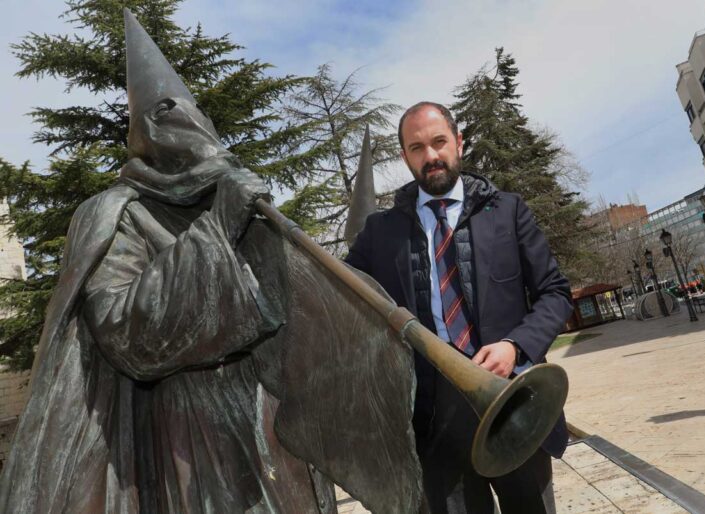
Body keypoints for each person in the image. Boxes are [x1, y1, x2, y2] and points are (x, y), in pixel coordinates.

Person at [0, 11, 423, 513]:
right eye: (169, 118)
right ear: (147, 132)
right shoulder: (116, 215)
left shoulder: (225, 193)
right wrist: (217, 229)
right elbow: (123, 333)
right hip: (193, 435)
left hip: (269, 418)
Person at [346, 101, 573, 514]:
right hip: (435, 429)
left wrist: (515, 346)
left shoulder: (509, 211)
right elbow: (335, 293)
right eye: (416, 148)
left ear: (458, 143)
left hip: (512, 409)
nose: (430, 156)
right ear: (405, 157)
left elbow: (555, 292)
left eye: (438, 142)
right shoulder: (379, 233)